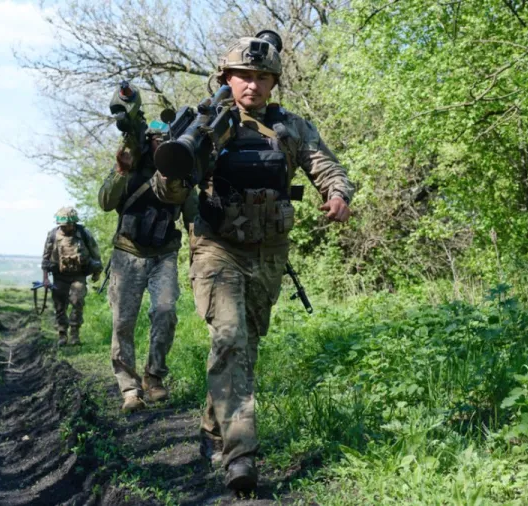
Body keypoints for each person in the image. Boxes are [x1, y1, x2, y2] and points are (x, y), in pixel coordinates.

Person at [150, 32, 354, 492]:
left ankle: (213, 429)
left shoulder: (290, 127)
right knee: (229, 339)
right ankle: (240, 456)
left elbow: (327, 167)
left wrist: (338, 194)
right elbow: (168, 193)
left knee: (246, 345)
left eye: (262, 77)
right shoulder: (204, 125)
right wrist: (175, 167)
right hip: (216, 247)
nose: (252, 84)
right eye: (243, 75)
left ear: (274, 82)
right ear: (226, 77)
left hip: (268, 252)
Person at [98, 125, 199, 413]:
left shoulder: (182, 172)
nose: (161, 144)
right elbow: (105, 202)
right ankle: (130, 389)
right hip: (127, 255)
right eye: (157, 140)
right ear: (147, 142)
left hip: (164, 255)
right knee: (123, 322)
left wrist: (199, 257)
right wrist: (121, 170)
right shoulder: (129, 168)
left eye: (167, 140)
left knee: (165, 312)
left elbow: (193, 219)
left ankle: (154, 377)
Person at [41, 206, 103, 346]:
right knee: (60, 305)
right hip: (59, 276)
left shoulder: (84, 234)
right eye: (62, 225)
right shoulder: (53, 235)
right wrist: (45, 278)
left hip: (78, 275)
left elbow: (95, 254)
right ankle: (62, 334)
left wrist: (97, 272)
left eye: (68, 225)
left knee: (77, 301)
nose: (65, 228)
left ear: (73, 223)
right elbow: (45, 258)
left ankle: (75, 334)